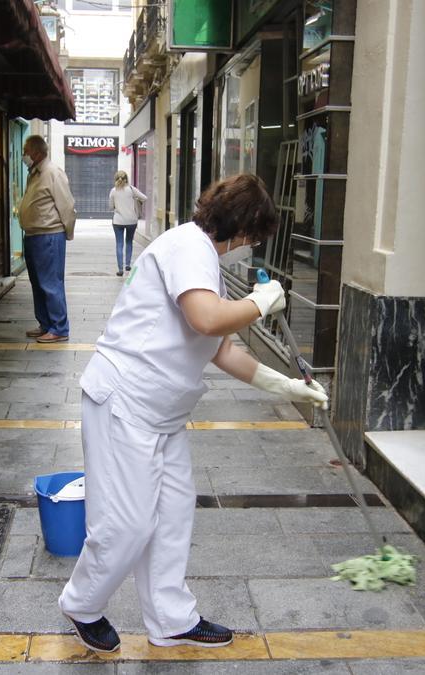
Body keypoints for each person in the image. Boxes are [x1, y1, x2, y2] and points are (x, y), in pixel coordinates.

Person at [58, 174, 329, 653]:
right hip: (126, 403)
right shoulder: (189, 246)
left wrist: (285, 384)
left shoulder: (203, 256)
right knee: (128, 522)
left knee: (172, 515)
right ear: (242, 226)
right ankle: (83, 603)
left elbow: (220, 348)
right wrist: (258, 303)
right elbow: (207, 318)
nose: (250, 246)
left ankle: (171, 619)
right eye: (253, 236)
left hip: (162, 412)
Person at [17, 135, 76, 343]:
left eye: (26, 150)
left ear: (37, 152)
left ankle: (59, 328)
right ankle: (45, 323)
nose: (24, 154)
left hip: (49, 236)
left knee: (51, 283)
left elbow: (67, 206)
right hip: (33, 236)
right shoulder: (34, 173)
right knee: (37, 283)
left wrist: (66, 233)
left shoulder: (52, 173)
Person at [107, 170, 146, 276]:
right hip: (131, 221)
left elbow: (111, 207)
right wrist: (135, 198)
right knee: (129, 242)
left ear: (115, 179)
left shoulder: (113, 191)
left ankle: (120, 269)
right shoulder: (131, 189)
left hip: (118, 221)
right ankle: (128, 265)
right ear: (126, 179)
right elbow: (144, 198)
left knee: (119, 244)